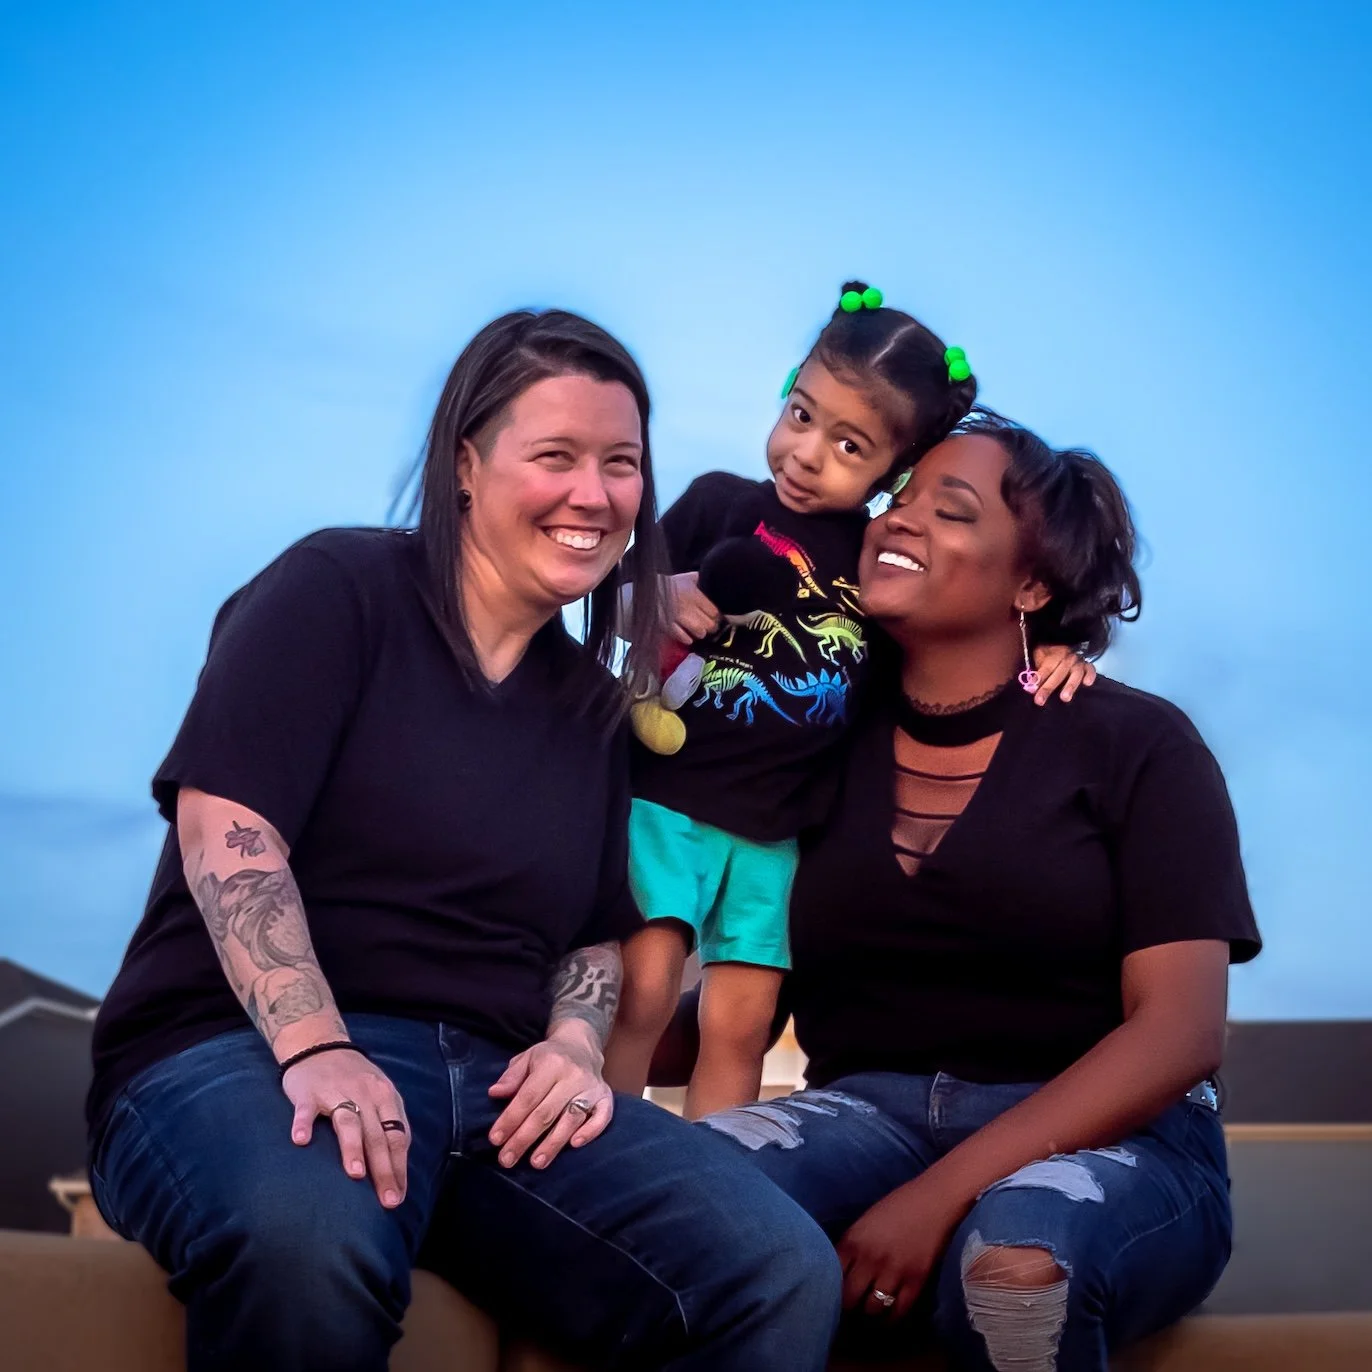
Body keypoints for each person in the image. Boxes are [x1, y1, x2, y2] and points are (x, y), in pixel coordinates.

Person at [85, 308, 843, 1372]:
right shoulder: (336, 588)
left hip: (491, 1096)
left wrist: (575, 1049)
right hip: (237, 1055)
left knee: (775, 1265)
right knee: (307, 1239)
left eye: (620, 463)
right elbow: (229, 830)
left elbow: (589, 937)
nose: (594, 494)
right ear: (465, 466)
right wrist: (318, 1045)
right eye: (556, 457)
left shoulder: (586, 702)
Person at [683, 411, 1261, 1371]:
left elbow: (1179, 1033)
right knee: (674, 1195)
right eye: (897, 501)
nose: (898, 523)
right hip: (862, 1114)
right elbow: (750, 972)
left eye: (948, 513)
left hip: (1118, 1141)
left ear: (1031, 581)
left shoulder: (1134, 744)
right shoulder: (820, 735)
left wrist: (937, 1196)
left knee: (1015, 1263)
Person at [605, 284, 1090, 1117]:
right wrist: (657, 594)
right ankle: (591, 1145)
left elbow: (940, 657)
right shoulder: (721, 502)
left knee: (741, 1025)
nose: (805, 453)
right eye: (800, 416)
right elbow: (610, 593)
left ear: (893, 469)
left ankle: (714, 1173)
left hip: (778, 831)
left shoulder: (875, 564)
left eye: (846, 444)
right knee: (644, 989)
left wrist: (1047, 646)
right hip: (669, 800)